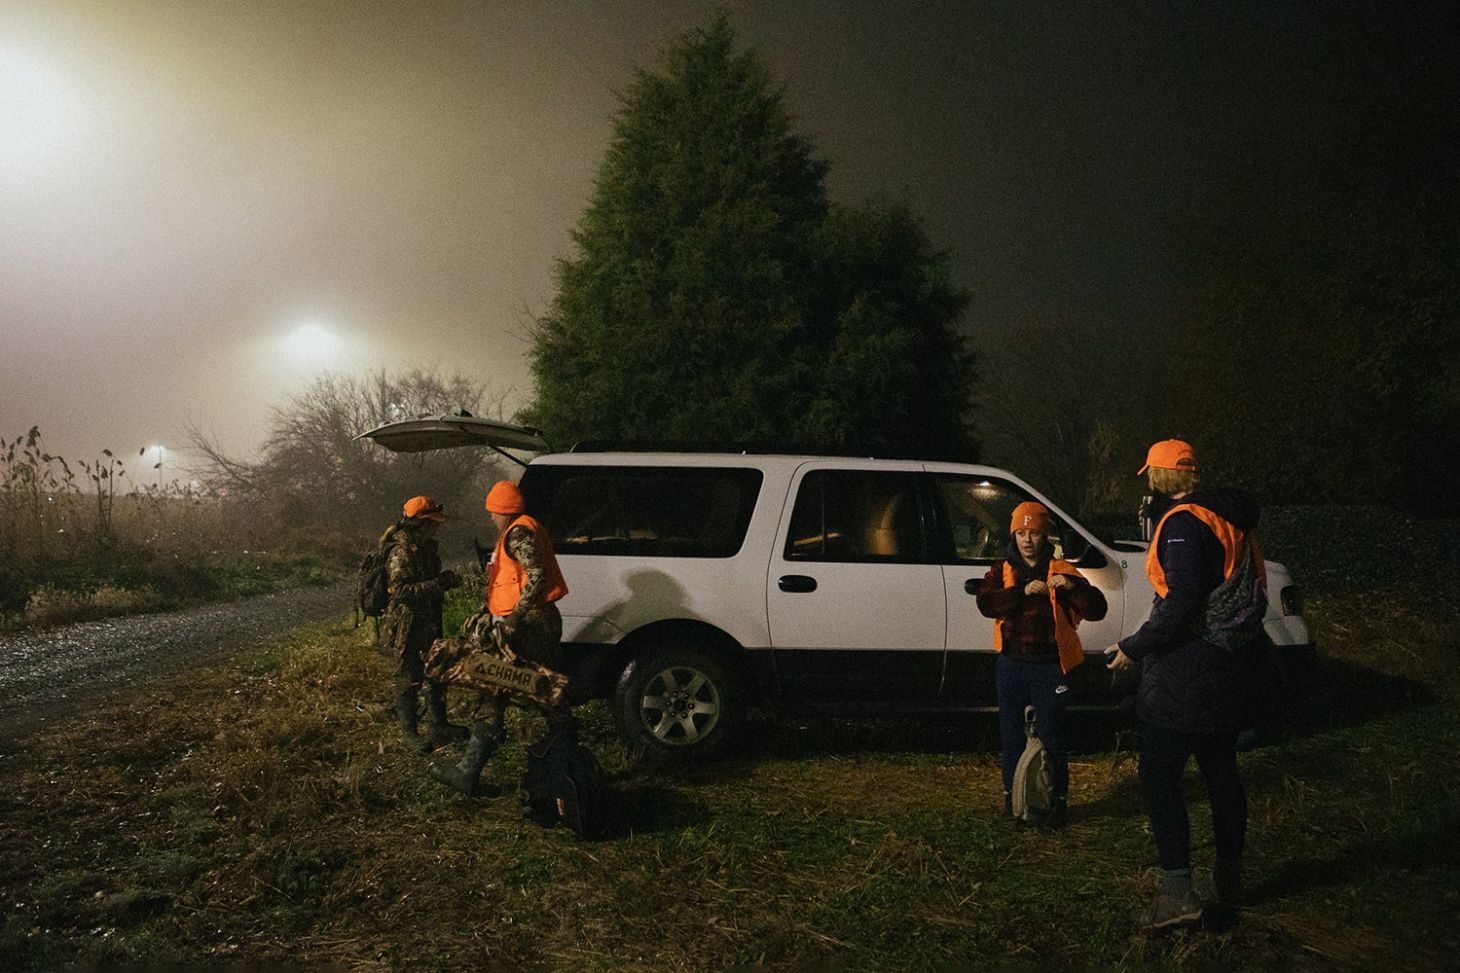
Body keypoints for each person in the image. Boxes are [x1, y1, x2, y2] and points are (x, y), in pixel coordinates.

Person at [1105, 438, 1261, 929]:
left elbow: (1182, 600)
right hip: (1227, 663)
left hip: (1187, 673)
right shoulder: (1228, 517)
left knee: (1158, 778)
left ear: (1158, 476)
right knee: (1221, 773)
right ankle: (1229, 881)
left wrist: (1134, 646)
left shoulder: (1182, 525)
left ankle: (1178, 894)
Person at [430, 479, 570, 795]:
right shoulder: (520, 529)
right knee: (539, 688)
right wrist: (486, 612)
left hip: (529, 625)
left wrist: (514, 619)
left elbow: (536, 576)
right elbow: (508, 582)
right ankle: (567, 754)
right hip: (535, 622)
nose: (491, 517)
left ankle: (468, 773)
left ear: (502, 510)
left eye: (493, 511)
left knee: (496, 683)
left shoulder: (518, 533)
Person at [977, 500, 1107, 829]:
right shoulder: (1001, 570)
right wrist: (1020, 592)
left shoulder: (1062, 570)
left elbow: (1096, 609)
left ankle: (1056, 802)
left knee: (1053, 735)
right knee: (1010, 736)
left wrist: (1074, 587)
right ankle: (1013, 800)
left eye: (1033, 532)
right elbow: (987, 603)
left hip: (1051, 666)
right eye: (1020, 533)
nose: (1026, 540)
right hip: (1012, 664)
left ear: (1044, 535)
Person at [382, 495, 466, 752]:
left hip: (429, 618)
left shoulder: (426, 547)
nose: (437, 527)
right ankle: (410, 733)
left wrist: (444, 579)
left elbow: (426, 580)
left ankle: (439, 726)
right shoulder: (401, 551)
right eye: (432, 523)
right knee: (408, 678)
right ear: (419, 524)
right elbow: (400, 592)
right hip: (407, 625)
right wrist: (439, 584)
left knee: (437, 671)